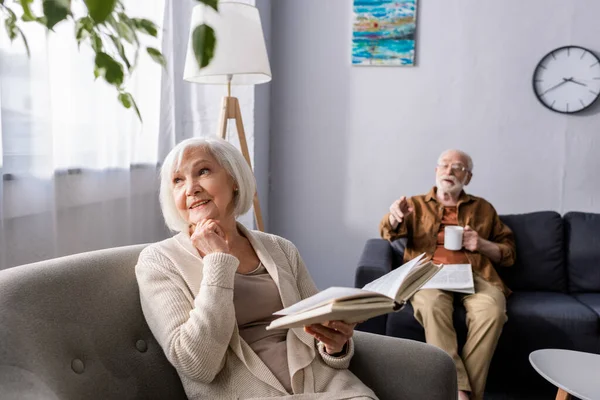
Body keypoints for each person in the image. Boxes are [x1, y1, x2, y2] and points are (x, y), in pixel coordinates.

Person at [136, 137, 377, 400]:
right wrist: (218, 261)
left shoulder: (280, 248)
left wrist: (336, 347)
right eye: (178, 181)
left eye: (203, 171)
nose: (191, 188)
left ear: (234, 180)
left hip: (331, 390)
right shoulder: (158, 262)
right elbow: (197, 365)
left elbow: (318, 330)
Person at [379, 149, 516, 400]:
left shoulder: (484, 208)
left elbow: (509, 253)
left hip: (476, 274)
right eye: (444, 165)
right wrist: (394, 217)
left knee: (493, 311)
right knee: (431, 306)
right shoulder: (415, 205)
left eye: (458, 167)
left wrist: (482, 244)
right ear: (436, 171)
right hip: (429, 273)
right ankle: (461, 393)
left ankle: (456, 394)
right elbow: (388, 233)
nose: (450, 171)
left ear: (469, 177)